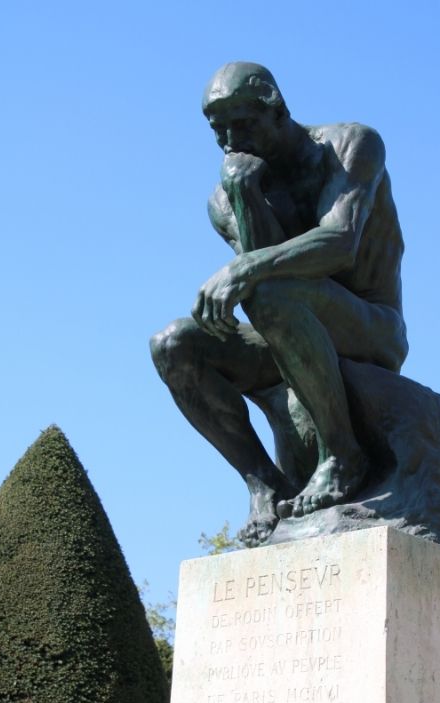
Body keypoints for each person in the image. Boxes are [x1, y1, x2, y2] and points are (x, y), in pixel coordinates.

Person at [151, 62, 408, 544]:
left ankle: (343, 454)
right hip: (285, 329)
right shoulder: (225, 196)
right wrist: (245, 192)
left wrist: (242, 269)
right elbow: (259, 282)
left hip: (370, 326)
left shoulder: (350, 145)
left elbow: (338, 243)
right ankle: (263, 482)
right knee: (174, 345)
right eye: (217, 129)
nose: (230, 140)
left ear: (278, 108)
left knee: (267, 288)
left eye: (242, 123)